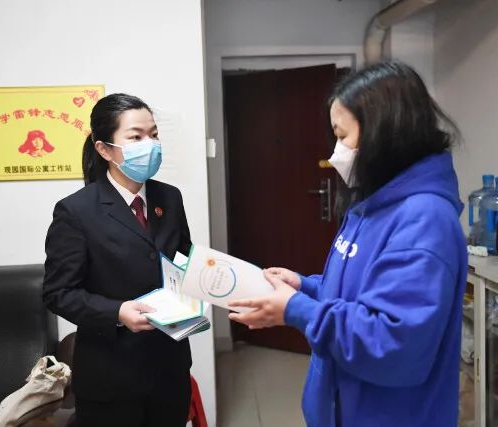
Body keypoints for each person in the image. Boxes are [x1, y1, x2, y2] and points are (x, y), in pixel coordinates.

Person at [229, 62, 467, 427]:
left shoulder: (424, 220)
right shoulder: (373, 202)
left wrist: (297, 310)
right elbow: (359, 296)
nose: (336, 152)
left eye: (343, 136)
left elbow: (391, 342)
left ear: (386, 133)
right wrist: (305, 286)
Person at [42, 93, 193, 427]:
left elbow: (182, 260)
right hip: (111, 377)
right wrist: (117, 313)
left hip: (170, 369)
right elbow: (58, 293)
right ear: (104, 149)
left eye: (153, 135)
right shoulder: (76, 211)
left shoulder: (169, 197)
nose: (150, 145)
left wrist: (205, 284)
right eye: (136, 137)